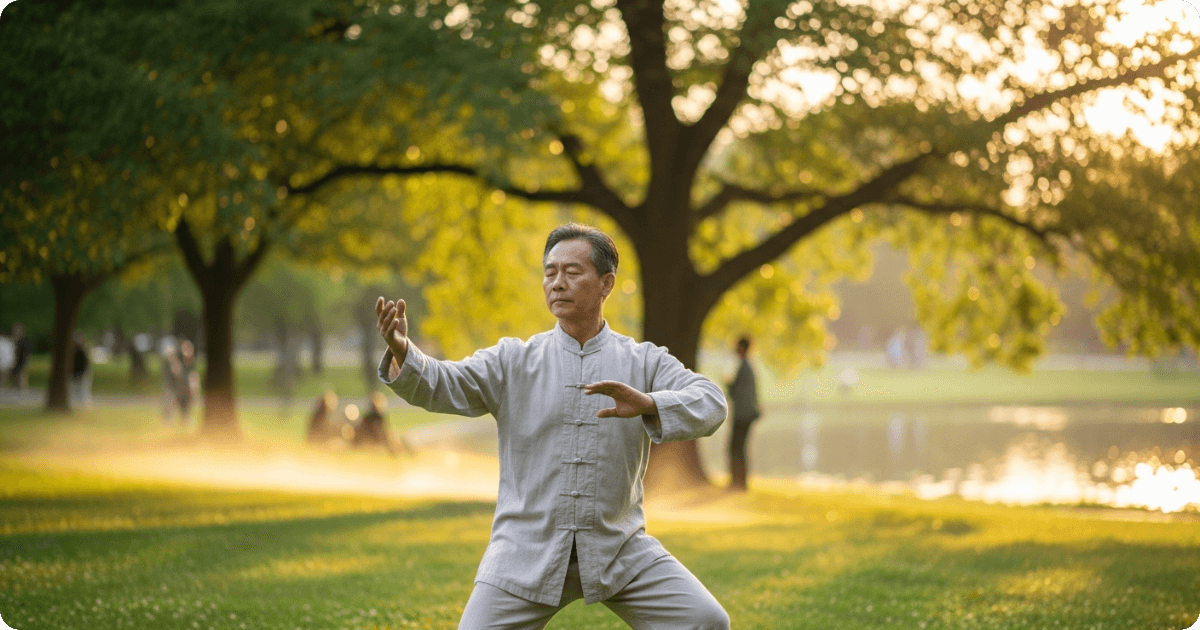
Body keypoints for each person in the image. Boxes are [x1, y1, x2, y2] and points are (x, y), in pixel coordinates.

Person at [376, 223, 730, 630]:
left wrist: (649, 403)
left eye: (572, 272)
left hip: (619, 549)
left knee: (706, 621)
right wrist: (405, 350)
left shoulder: (643, 361)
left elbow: (712, 403)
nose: (557, 283)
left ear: (606, 283)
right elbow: (443, 384)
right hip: (525, 551)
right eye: (550, 272)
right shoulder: (513, 360)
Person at [725, 336, 761, 492]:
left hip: (742, 415)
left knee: (736, 447)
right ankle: (739, 481)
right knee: (739, 447)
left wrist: (728, 385)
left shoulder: (744, 368)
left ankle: (738, 482)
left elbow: (736, 393)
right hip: (746, 414)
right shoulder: (748, 367)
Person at [11, 323, 32, 390]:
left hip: (23, 363)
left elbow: (27, 354)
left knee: (22, 380)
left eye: (18, 331)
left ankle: (24, 394)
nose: (16, 332)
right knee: (15, 381)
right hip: (16, 364)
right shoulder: (15, 341)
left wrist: (25, 364)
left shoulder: (25, 341)